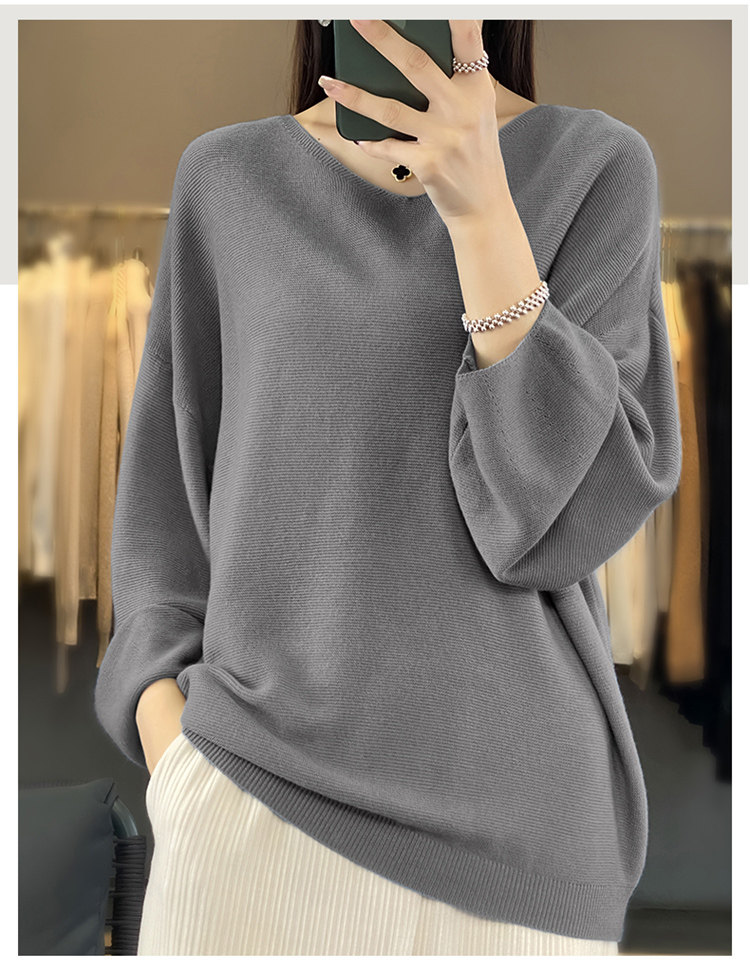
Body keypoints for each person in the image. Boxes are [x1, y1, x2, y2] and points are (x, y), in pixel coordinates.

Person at [94, 18, 682, 956]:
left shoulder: (597, 168)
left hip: (523, 846)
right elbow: (161, 520)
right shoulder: (228, 180)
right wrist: (175, 751)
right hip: (250, 810)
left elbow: (557, 531)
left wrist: (483, 213)